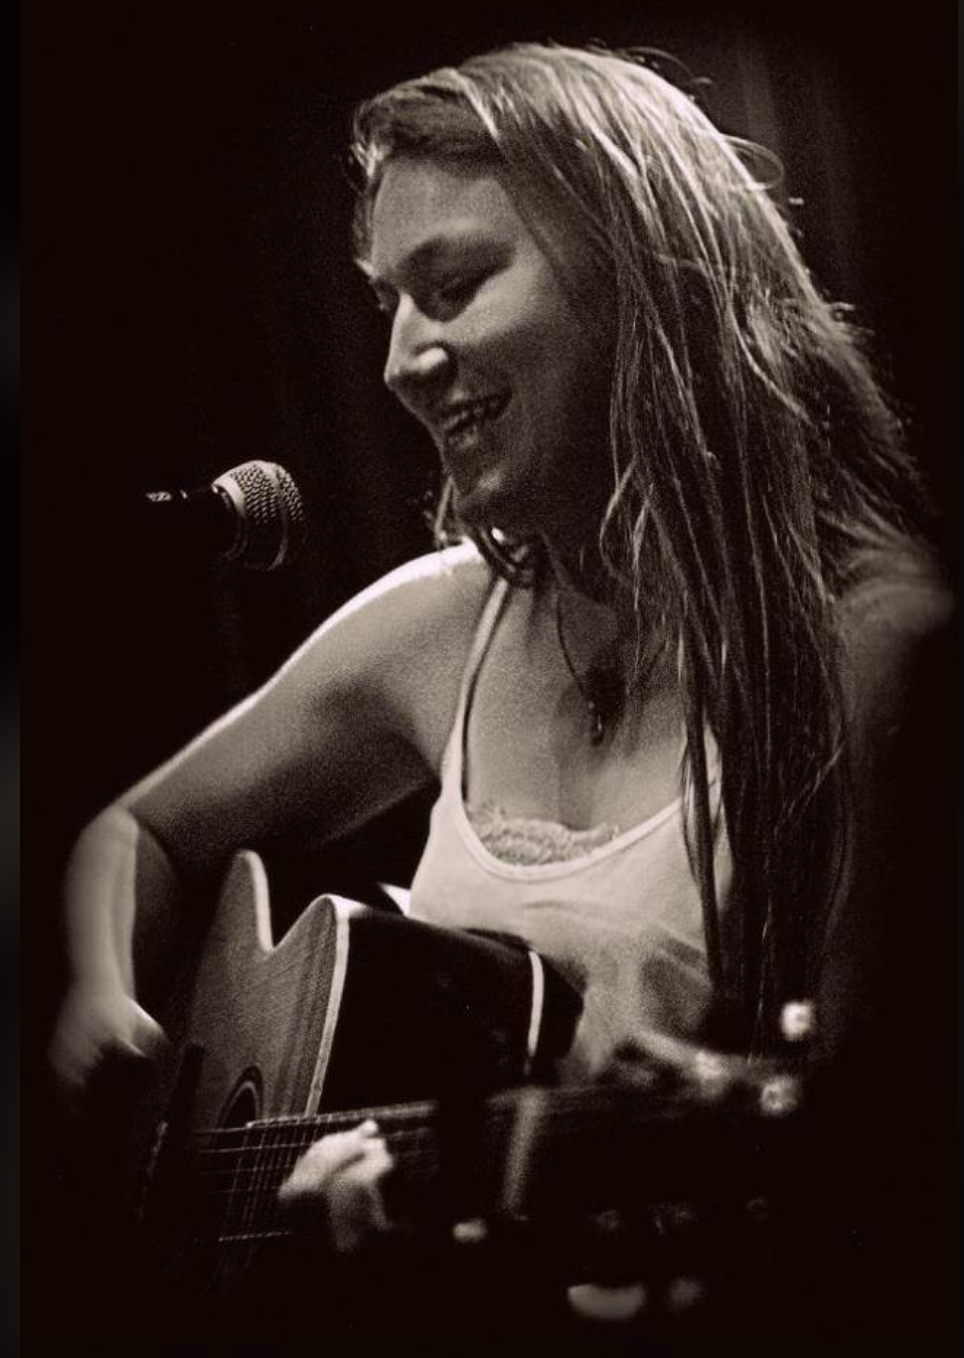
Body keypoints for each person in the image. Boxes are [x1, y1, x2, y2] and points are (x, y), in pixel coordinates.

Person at [49, 41, 952, 1351]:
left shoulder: (875, 649)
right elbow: (135, 833)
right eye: (387, 304)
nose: (399, 360)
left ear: (646, 272)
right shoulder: (443, 622)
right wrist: (101, 1001)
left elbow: (879, 1176)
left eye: (454, 285)